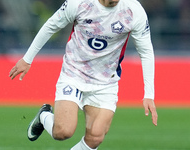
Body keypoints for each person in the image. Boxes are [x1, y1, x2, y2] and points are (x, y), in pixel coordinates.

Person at [9, 0, 158, 149]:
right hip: (74, 73)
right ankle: (44, 116)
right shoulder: (79, 3)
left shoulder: (133, 11)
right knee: (63, 132)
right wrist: (27, 59)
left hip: (106, 82)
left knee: (95, 137)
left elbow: (146, 52)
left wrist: (149, 94)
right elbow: (51, 25)